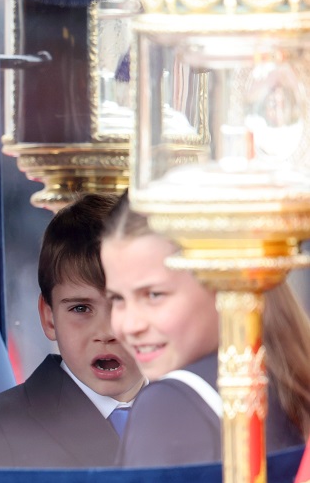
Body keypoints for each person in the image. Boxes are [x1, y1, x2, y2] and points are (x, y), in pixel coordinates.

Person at [101, 191, 308, 467]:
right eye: (117, 299)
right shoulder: (287, 382)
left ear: (222, 281)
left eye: (153, 295)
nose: (129, 325)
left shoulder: (168, 406)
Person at [0, 193, 146, 468]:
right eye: (80, 309)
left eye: (122, 303)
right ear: (49, 318)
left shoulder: (197, 414)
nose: (106, 331)